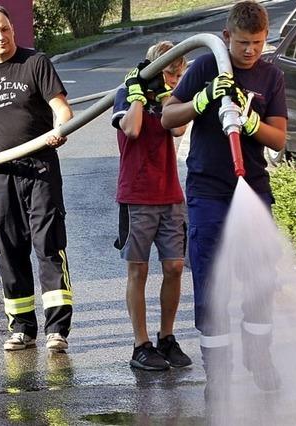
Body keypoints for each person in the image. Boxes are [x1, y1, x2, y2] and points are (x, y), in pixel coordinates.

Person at [161, 0, 287, 392]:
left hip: (252, 186)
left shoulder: (271, 77)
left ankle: (258, 355)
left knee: (261, 277)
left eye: (259, 43)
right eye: (243, 43)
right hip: (208, 189)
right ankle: (218, 372)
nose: (250, 51)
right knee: (212, 280)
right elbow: (168, 116)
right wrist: (201, 102)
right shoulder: (204, 67)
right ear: (226, 37)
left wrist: (250, 123)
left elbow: (279, 138)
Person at [0, 6, 74, 352]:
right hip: (2, 172)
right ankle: (21, 327)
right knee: (9, 246)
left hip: (40, 168)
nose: (1, 37)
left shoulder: (35, 63)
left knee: (48, 243)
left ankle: (56, 329)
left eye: (5, 29)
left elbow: (61, 107)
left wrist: (61, 126)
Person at [111, 41, 192, 371]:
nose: (175, 79)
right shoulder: (125, 91)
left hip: (170, 194)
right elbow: (132, 129)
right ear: (156, 69)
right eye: (170, 73)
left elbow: (177, 128)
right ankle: (140, 344)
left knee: (174, 267)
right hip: (137, 195)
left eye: (179, 74)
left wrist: (165, 95)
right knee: (139, 269)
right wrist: (137, 94)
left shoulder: (170, 97)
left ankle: (166, 337)